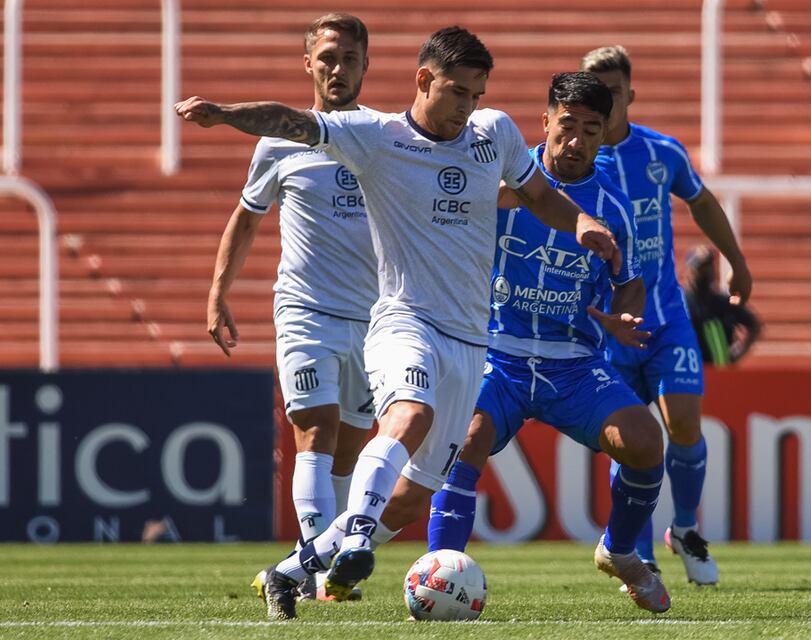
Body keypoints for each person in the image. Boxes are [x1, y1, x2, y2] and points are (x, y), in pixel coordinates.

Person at [176, 26, 620, 621]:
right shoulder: (376, 137)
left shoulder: (494, 133)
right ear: (422, 80)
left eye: (476, 94)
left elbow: (538, 194)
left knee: (414, 496)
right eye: (457, 91)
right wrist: (224, 114)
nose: (467, 106)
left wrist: (582, 221)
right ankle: (357, 537)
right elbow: (290, 122)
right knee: (409, 414)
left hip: (470, 339)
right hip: (403, 321)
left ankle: (291, 570)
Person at [423, 71, 670, 613]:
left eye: (591, 129)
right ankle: (441, 574)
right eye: (567, 125)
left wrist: (622, 314)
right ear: (545, 123)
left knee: (648, 444)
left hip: (573, 367)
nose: (576, 140)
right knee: (465, 439)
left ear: (604, 135)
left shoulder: (613, 209)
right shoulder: (499, 187)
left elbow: (629, 283)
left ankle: (620, 550)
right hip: (497, 355)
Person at [205, 13, 375, 601]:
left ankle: (308, 563)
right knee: (315, 433)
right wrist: (219, 291)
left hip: (375, 319)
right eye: (327, 57)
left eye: (348, 57)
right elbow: (247, 218)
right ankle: (316, 578)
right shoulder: (276, 143)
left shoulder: (384, 136)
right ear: (309, 64)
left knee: (350, 449)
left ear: (365, 66)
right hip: (306, 310)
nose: (337, 67)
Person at [581, 45, 753, 586]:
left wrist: (736, 261)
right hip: (611, 326)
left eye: (613, 91)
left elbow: (701, 202)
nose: (607, 101)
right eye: (597, 92)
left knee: (683, 421)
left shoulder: (662, 152)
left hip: (668, 316)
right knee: (629, 438)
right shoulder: (572, 160)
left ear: (630, 93)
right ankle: (631, 545)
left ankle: (684, 528)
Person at [683, 245, 761, 367]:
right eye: (700, 268)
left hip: (720, 372)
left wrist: (738, 352)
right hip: (691, 373)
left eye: (708, 267)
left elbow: (754, 324)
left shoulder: (724, 302)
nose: (706, 272)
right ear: (689, 271)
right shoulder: (681, 303)